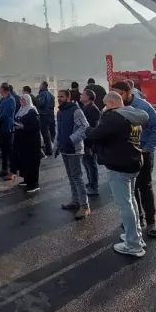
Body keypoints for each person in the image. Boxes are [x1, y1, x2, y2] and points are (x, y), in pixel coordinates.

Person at [86, 91, 149, 257]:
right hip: (134, 161)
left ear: (112, 103)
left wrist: (87, 130)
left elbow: (95, 134)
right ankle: (135, 236)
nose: (104, 107)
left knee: (125, 205)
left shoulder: (114, 117)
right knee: (131, 201)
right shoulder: (132, 115)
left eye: (105, 104)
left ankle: (133, 245)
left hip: (119, 164)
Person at [112, 81, 156, 238]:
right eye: (114, 94)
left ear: (129, 92)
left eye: (120, 94)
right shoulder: (114, 107)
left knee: (144, 187)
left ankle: (151, 222)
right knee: (130, 189)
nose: (117, 98)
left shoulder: (143, 107)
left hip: (142, 153)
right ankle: (136, 220)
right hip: (124, 155)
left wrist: (146, 149)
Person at [55, 89, 91, 220]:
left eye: (62, 96)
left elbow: (85, 127)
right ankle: (75, 200)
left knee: (77, 177)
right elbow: (58, 130)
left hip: (74, 150)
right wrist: (56, 145)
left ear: (68, 97)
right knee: (71, 176)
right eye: (58, 96)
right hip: (64, 149)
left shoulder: (76, 111)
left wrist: (71, 139)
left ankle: (85, 206)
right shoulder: (59, 112)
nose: (59, 98)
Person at [14, 94, 42, 193]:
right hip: (24, 141)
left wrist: (23, 127)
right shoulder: (21, 110)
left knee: (32, 163)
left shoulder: (32, 111)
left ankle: (34, 184)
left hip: (32, 142)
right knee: (25, 162)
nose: (21, 102)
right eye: (20, 100)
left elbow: (36, 126)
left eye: (23, 100)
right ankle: (27, 180)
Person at [0, 82, 17, 180]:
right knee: (3, 150)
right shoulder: (3, 98)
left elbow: (5, 115)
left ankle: (12, 172)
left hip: (7, 129)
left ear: (3, 89)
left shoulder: (11, 100)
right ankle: (4, 169)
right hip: (1, 128)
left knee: (10, 151)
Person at [80, 89, 102, 196]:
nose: (81, 95)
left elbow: (92, 129)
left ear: (88, 97)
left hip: (89, 142)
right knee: (86, 163)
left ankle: (94, 187)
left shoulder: (93, 110)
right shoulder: (86, 108)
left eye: (83, 94)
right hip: (85, 141)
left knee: (91, 164)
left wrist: (88, 145)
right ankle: (90, 183)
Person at [37, 81, 56, 157]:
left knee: (45, 132)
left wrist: (38, 100)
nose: (39, 86)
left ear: (43, 86)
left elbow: (41, 103)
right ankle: (52, 146)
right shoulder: (51, 95)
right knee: (51, 132)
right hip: (51, 114)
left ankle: (49, 149)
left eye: (40, 85)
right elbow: (53, 105)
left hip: (44, 115)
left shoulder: (42, 94)